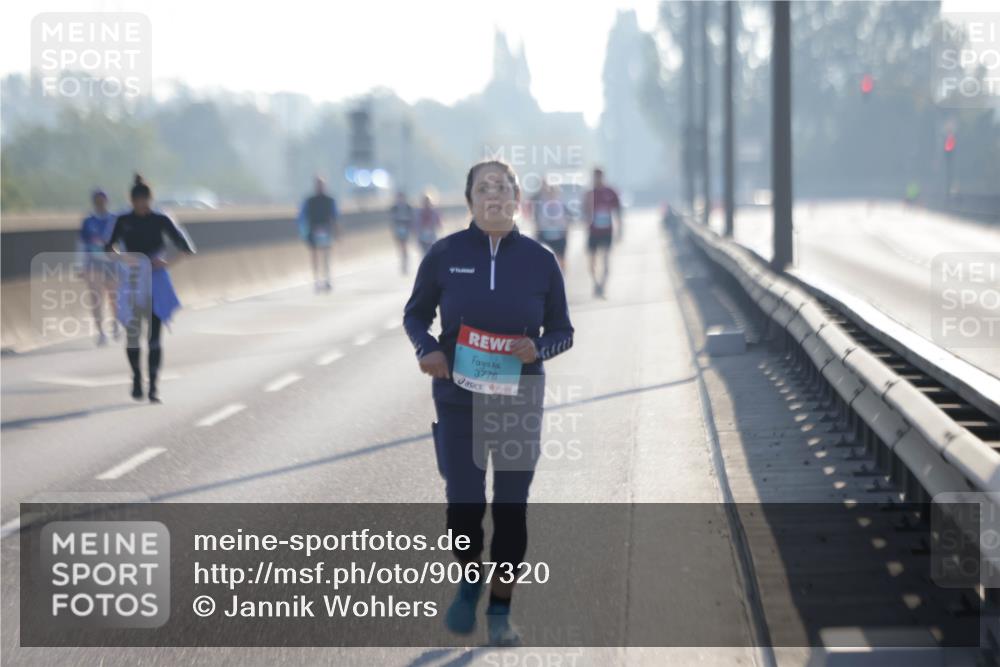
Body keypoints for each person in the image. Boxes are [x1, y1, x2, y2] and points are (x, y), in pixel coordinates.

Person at [403, 160, 574, 646]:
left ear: (517, 199)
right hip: (458, 398)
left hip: (521, 396)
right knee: (463, 508)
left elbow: (564, 332)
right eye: (484, 188)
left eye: (503, 187)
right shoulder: (444, 254)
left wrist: (538, 348)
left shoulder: (541, 260)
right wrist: (429, 348)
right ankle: (471, 573)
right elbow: (415, 316)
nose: (494, 195)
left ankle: (500, 609)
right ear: (470, 201)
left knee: (511, 510)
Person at [104, 174, 196, 403]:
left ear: (150, 200)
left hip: (156, 278)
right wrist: (126, 259)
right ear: (132, 201)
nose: (142, 206)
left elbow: (187, 248)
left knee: (154, 337)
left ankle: (153, 387)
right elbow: (108, 248)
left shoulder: (161, 219)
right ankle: (136, 377)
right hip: (133, 278)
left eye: (145, 201)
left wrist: (166, 262)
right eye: (138, 202)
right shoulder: (122, 220)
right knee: (133, 334)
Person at [79, 188, 120, 345]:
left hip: (111, 263)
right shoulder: (88, 221)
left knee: (114, 297)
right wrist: (81, 265)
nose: (100, 203)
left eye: (102, 200)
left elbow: (121, 242)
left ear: (107, 201)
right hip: (93, 264)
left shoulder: (114, 219)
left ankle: (115, 323)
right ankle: (101, 332)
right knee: (96, 299)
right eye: (97, 200)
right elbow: (82, 244)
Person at [582, 167, 623, 298]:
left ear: (603, 177)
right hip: (593, 231)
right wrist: (586, 220)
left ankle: (603, 286)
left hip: (607, 231)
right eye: (595, 177)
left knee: (605, 258)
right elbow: (583, 211)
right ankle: (596, 283)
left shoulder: (610, 192)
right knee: (592, 261)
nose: (597, 179)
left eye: (599, 177)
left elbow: (618, 211)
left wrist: (620, 229)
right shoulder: (589, 194)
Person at [298, 177, 340, 291]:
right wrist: (303, 232)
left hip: (326, 229)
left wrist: (337, 232)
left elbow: (335, 216)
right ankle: (316, 280)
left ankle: (327, 279)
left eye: (322, 184)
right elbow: (302, 217)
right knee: (315, 256)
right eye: (318, 184)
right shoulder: (309, 201)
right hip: (313, 230)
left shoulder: (330, 200)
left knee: (326, 256)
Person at [534, 183, 569, 272]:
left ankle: (562, 276)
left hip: (559, 236)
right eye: (549, 192)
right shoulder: (541, 205)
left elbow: (566, 221)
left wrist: (565, 233)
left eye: (553, 192)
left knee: (561, 257)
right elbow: (537, 220)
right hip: (545, 235)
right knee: (543, 258)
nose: (551, 194)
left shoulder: (561, 204)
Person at [389, 190, 415, 274]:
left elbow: (412, 218)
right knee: (401, 247)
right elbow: (392, 220)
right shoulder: (394, 208)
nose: (400, 199)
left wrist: (411, 228)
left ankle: (405, 263)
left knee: (404, 246)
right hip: (398, 230)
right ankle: (404, 260)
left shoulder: (408, 207)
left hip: (406, 229)